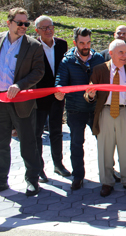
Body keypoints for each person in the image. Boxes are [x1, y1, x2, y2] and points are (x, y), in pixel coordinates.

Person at [84, 40, 126, 197]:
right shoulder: (99, 69)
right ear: (111, 54)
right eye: (120, 52)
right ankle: (107, 182)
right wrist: (90, 94)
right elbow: (89, 91)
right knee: (105, 149)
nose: (124, 55)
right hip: (105, 113)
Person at [0, 7, 45, 196]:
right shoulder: (0, 40)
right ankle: (2, 180)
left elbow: (38, 72)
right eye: (20, 23)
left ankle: (32, 180)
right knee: (1, 143)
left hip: (22, 101)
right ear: (9, 22)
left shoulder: (34, 45)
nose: (24, 27)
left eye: (26, 24)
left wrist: (19, 85)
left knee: (28, 142)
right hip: (1, 101)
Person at [55, 27, 105, 191]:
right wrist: (59, 90)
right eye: (82, 43)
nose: (86, 46)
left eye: (88, 42)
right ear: (75, 42)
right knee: (76, 144)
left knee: (105, 142)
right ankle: (78, 176)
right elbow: (60, 80)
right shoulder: (67, 61)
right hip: (75, 110)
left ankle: (108, 173)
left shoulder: (98, 59)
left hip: (96, 110)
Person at [34, 15, 70, 183]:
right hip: (38, 98)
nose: (48, 30)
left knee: (56, 132)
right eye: (44, 28)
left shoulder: (62, 44)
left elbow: (65, 69)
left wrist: (63, 89)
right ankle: (38, 169)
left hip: (58, 97)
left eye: (51, 27)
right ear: (37, 31)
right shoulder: (32, 46)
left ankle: (58, 164)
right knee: (37, 134)